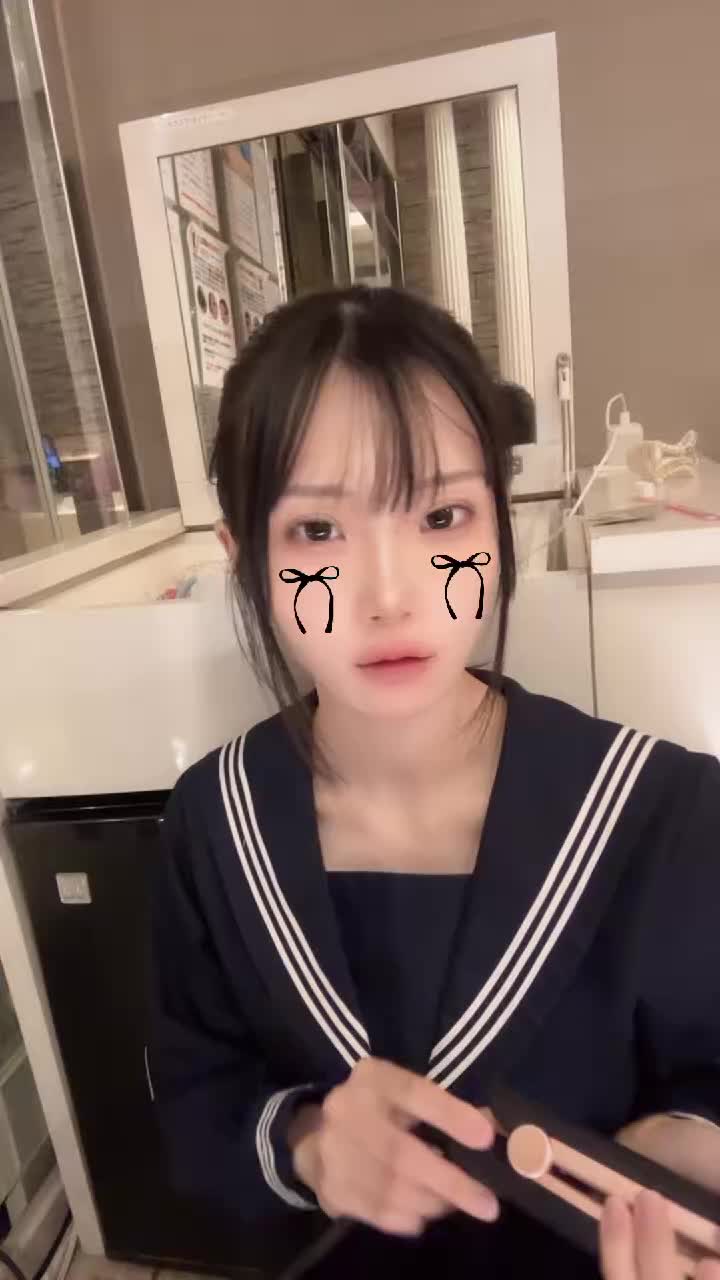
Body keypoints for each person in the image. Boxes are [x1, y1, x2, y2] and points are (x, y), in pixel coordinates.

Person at [147, 285, 720, 1280]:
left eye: (442, 514)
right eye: (316, 532)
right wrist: (308, 1141)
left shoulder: (664, 814)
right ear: (243, 557)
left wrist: (690, 1152)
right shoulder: (213, 826)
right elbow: (196, 1106)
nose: (389, 593)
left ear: (501, 525)